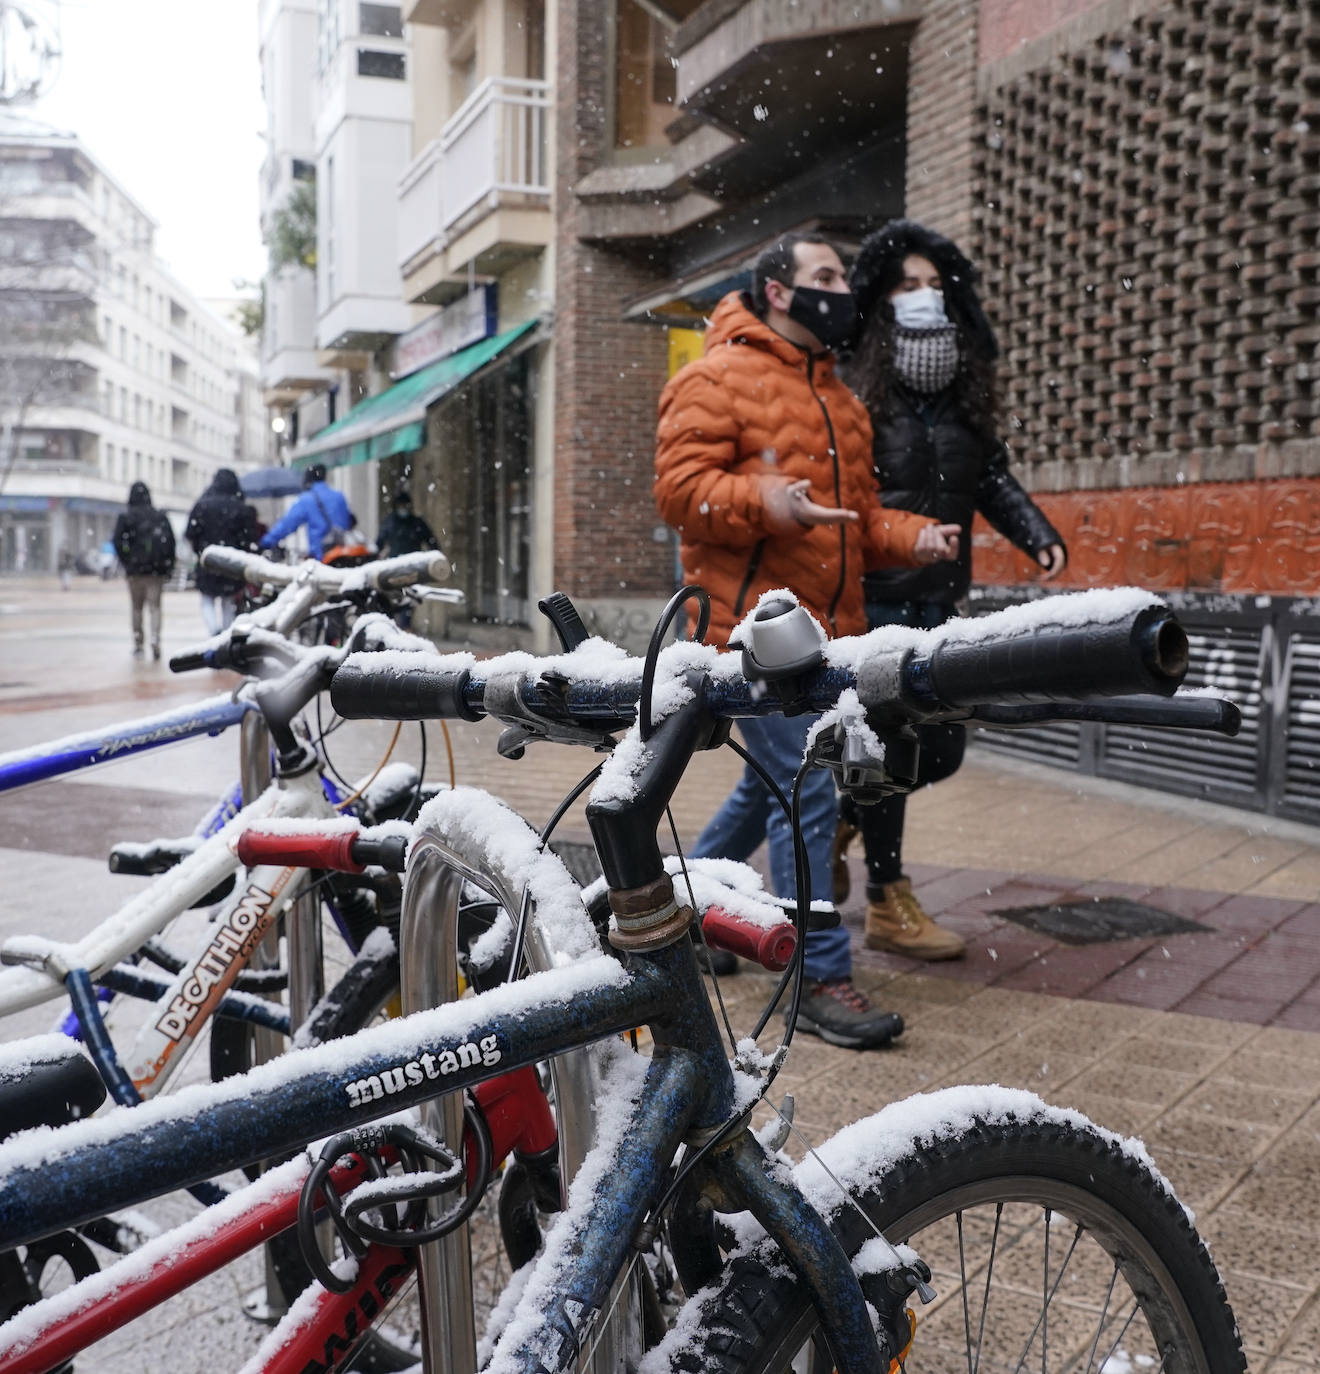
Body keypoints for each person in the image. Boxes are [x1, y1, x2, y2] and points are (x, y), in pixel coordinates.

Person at [653, 231, 960, 1049]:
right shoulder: (711, 379)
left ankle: (675, 907)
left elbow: (859, 521)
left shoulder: (843, 402)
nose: (840, 289)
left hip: (828, 638)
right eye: (823, 276)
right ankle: (818, 973)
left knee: (772, 790)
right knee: (808, 791)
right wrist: (765, 499)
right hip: (752, 631)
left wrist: (917, 536)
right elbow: (680, 494)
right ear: (777, 291)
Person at [837, 218, 1068, 960]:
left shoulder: (963, 396)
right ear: (881, 301)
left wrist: (1036, 533)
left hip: (940, 599)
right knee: (893, 746)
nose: (923, 297)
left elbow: (989, 475)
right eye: (907, 286)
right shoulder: (855, 390)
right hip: (875, 600)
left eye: (935, 286)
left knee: (939, 753)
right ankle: (886, 898)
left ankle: (842, 813)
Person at [185, 467, 258, 635]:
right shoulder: (241, 508)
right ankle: (225, 634)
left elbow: (191, 534)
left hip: (208, 560)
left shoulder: (202, 505)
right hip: (231, 563)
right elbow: (249, 539)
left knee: (207, 599)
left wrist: (201, 552)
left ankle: (213, 631)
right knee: (228, 601)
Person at [112, 481, 176, 660]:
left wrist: (127, 560)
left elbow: (118, 542)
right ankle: (155, 638)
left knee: (136, 608)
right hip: (156, 571)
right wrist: (168, 565)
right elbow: (171, 542)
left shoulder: (126, 517)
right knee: (155, 607)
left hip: (135, 571)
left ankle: (138, 641)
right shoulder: (159, 517)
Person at [259, 464, 355, 561]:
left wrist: (266, 542)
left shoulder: (307, 499)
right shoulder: (339, 496)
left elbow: (288, 524)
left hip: (322, 556)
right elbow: (347, 521)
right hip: (343, 554)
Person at [376, 488, 439, 558]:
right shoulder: (389, 523)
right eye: (400, 506)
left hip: (415, 561)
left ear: (409, 507)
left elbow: (431, 542)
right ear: (395, 507)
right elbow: (379, 543)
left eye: (405, 506)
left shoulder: (417, 523)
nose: (403, 509)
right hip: (395, 563)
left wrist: (436, 557)